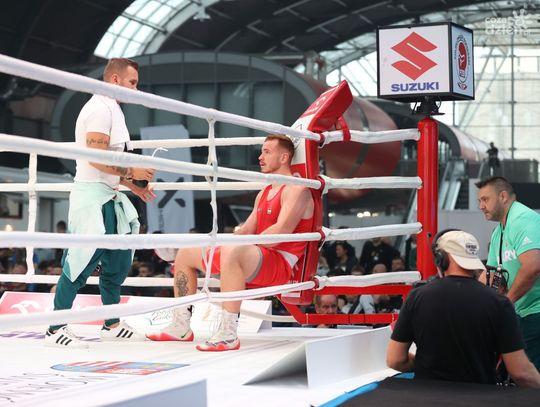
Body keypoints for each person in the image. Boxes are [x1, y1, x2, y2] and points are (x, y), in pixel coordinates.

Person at [147, 134, 314, 351]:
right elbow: (245, 231)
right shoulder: (264, 193)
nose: (260, 157)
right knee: (186, 253)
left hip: (279, 263)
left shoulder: (298, 190)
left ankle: (228, 333)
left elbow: (280, 232)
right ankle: (180, 325)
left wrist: (237, 246)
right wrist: (221, 243)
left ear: (284, 158)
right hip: (255, 255)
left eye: (266, 152)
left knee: (234, 251)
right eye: (261, 151)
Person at [45, 58, 156, 349]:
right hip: (91, 197)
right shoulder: (98, 109)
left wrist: (133, 186)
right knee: (80, 261)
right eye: (132, 82)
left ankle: (111, 324)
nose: (136, 89)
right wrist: (132, 171)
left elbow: (109, 161)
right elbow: (95, 157)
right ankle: (55, 328)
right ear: (115, 80)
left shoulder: (113, 109)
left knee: (116, 263)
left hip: (110, 194)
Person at [387, 229, 540, 387]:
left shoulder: (416, 298)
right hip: (480, 395)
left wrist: (425, 364)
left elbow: (395, 359)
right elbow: (521, 372)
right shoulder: (499, 303)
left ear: (441, 259)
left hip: (427, 394)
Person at [477, 176, 540, 371]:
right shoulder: (499, 231)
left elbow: (533, 266)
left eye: (485, 199)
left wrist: (507, 301)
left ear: (503, 196)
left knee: (528, 378)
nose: (481, 206)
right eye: (479, 201)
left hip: (536, 313)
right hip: (522, 313)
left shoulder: (523, 219)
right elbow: (492, 276)